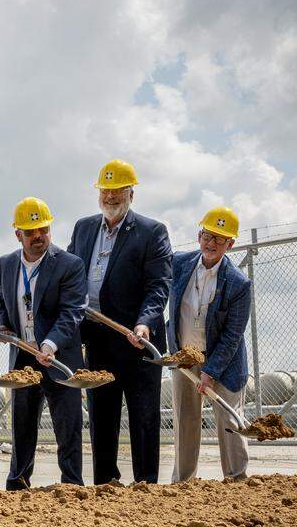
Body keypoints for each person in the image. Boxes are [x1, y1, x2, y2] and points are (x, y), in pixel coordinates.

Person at [68, 159, 172, 484]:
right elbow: (71, 277)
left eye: (118, 191)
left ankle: (145, 486)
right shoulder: (84, 229)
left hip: (137, 342)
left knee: (143, 419)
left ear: (131, 194)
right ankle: (105, 485)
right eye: (105, 191)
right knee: (101, 417)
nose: (111, 197)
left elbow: (158, 286)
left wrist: (144, 323)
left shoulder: (151, 231)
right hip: (98, 341)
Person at [0, 197, 87, 489]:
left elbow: (72, 312)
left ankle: (71, 485)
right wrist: (1, 323)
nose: (38, 236)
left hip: (58, 358)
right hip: (23, 359)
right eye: (30, 231)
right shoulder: (7, 264)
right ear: (17, 234)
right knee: (22, 424)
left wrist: (50, 344)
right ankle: (18, 484)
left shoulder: (69, 265)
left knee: (67, 424)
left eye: (43, 229)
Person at [168, 207, 252, 482]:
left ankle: (236, 479)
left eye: (219, 238)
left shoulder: (238, 284)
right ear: (198, 234)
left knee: (229, 422)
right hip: (185, 358)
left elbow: (232, 336)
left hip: (223, 362)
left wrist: (210, 371)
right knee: (186, 421)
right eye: (207, 235)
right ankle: (182, 482)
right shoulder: (179, 264)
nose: (211, 243)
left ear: (231, 244)